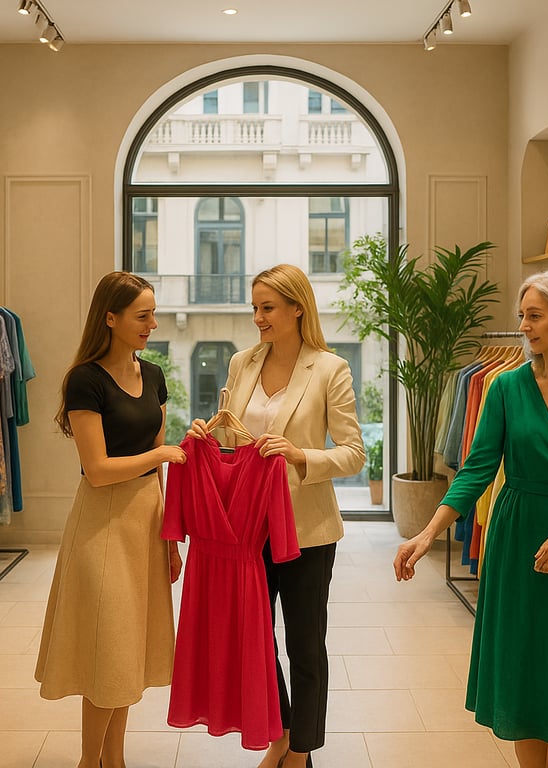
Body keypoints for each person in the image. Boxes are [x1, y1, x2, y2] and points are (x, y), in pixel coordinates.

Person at [394, 270, 548, 768]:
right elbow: (476, 470)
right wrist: (427, 533)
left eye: (534, 315)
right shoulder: (506, 387)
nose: (523, 326)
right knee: (526, 663)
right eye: (521, 316)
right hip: (519, 537)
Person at [187, 264, 365, 768]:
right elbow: (234, 439)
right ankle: (283, 733)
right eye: (255, 307)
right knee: (256, 641)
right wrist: (210, 436)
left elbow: (354, 453)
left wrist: (302, 455)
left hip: (306, 530)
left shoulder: (330, 368)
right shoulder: (242, 363)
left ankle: (302, 750)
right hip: (245, 530)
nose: (258, 317)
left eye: (267, 308)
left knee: (305, 644)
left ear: (296, 309)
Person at [35, 271, 186, 768]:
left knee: (127, 650)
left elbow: (154, 464)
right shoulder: (85, 379)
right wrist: (162, 454)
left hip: (145, 517)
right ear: (111, 318)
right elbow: (97, 470)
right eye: (143, 316)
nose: (153, 324)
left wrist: (170, 537)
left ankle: (114, 759)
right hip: (102, 521)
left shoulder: (154, 375)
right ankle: (89, 761)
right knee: (107, 646)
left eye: (152, 314)